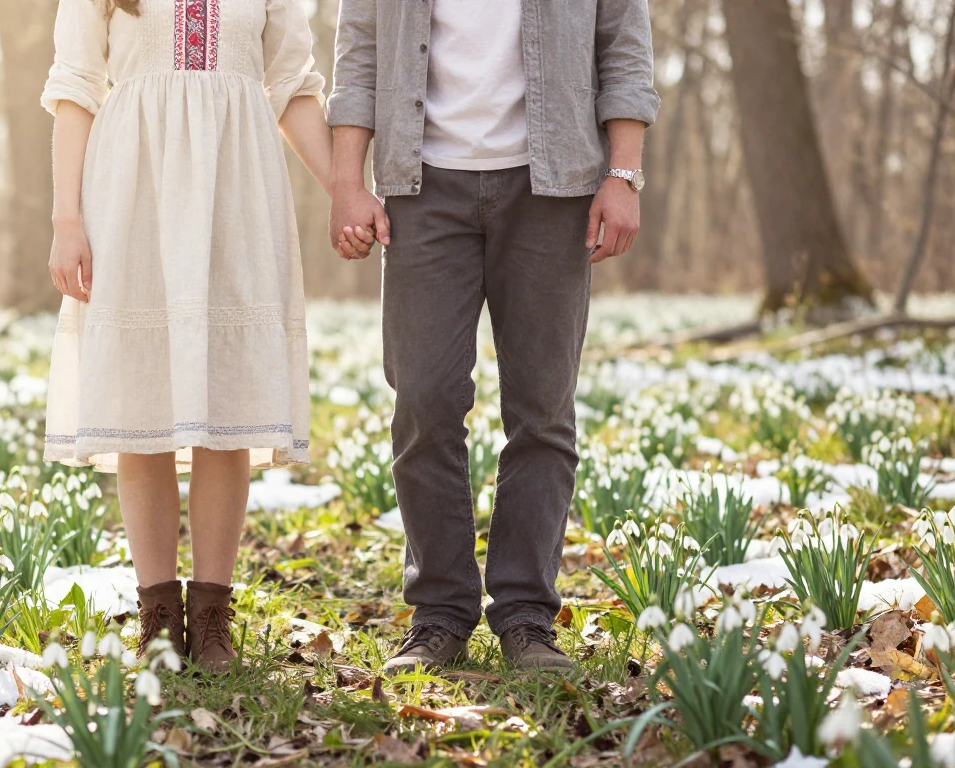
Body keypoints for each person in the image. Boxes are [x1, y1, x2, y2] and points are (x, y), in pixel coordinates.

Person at [327, 0, 659, 672]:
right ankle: (441, 614)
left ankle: (526, 619)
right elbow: (358, 50)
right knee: (423, 400)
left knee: (541, 411)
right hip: (421, 187)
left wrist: (622, 174)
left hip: (553, 186)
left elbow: (623, 40)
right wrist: (345, 181)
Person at [40, 0, 357, 673]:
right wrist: (67, 219)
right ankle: (157, 616)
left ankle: (213, 617)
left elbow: (292, 86)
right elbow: (74, 86)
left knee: (227, 401)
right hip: (134, 185)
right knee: (142, 398)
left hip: (237, 187)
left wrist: (343, 190)